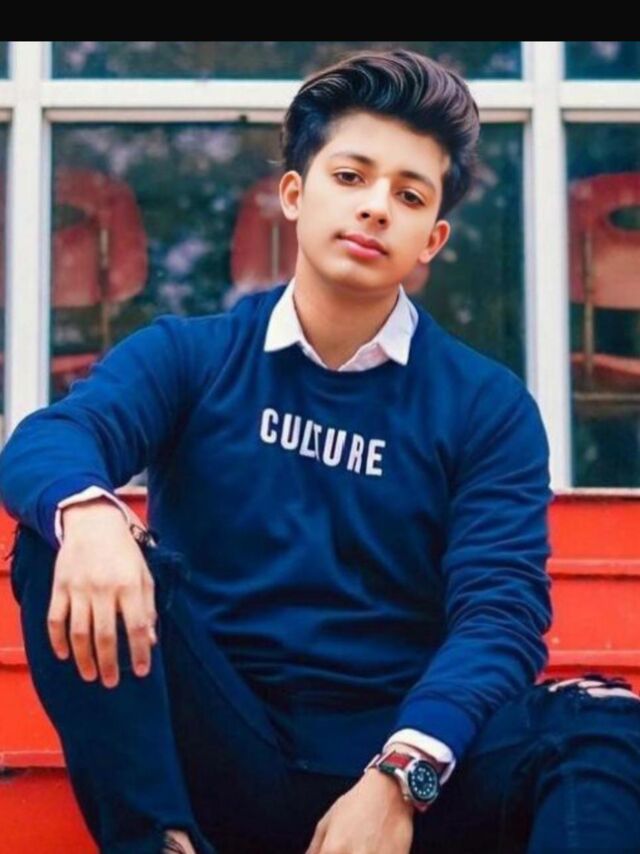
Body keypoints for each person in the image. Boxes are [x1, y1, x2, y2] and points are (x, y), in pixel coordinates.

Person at [2, 47, 640, 854]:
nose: (376, 207)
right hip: (220, 743)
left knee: (604, 724)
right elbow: (50, 439)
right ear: (295, 195)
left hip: (395, 758)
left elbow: (500, 615)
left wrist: (400, 780)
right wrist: (91, 514)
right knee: (57, 534)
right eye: (351, 177)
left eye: (408, 195)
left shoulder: (487, 406)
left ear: (432, 238)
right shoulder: (193, 355)